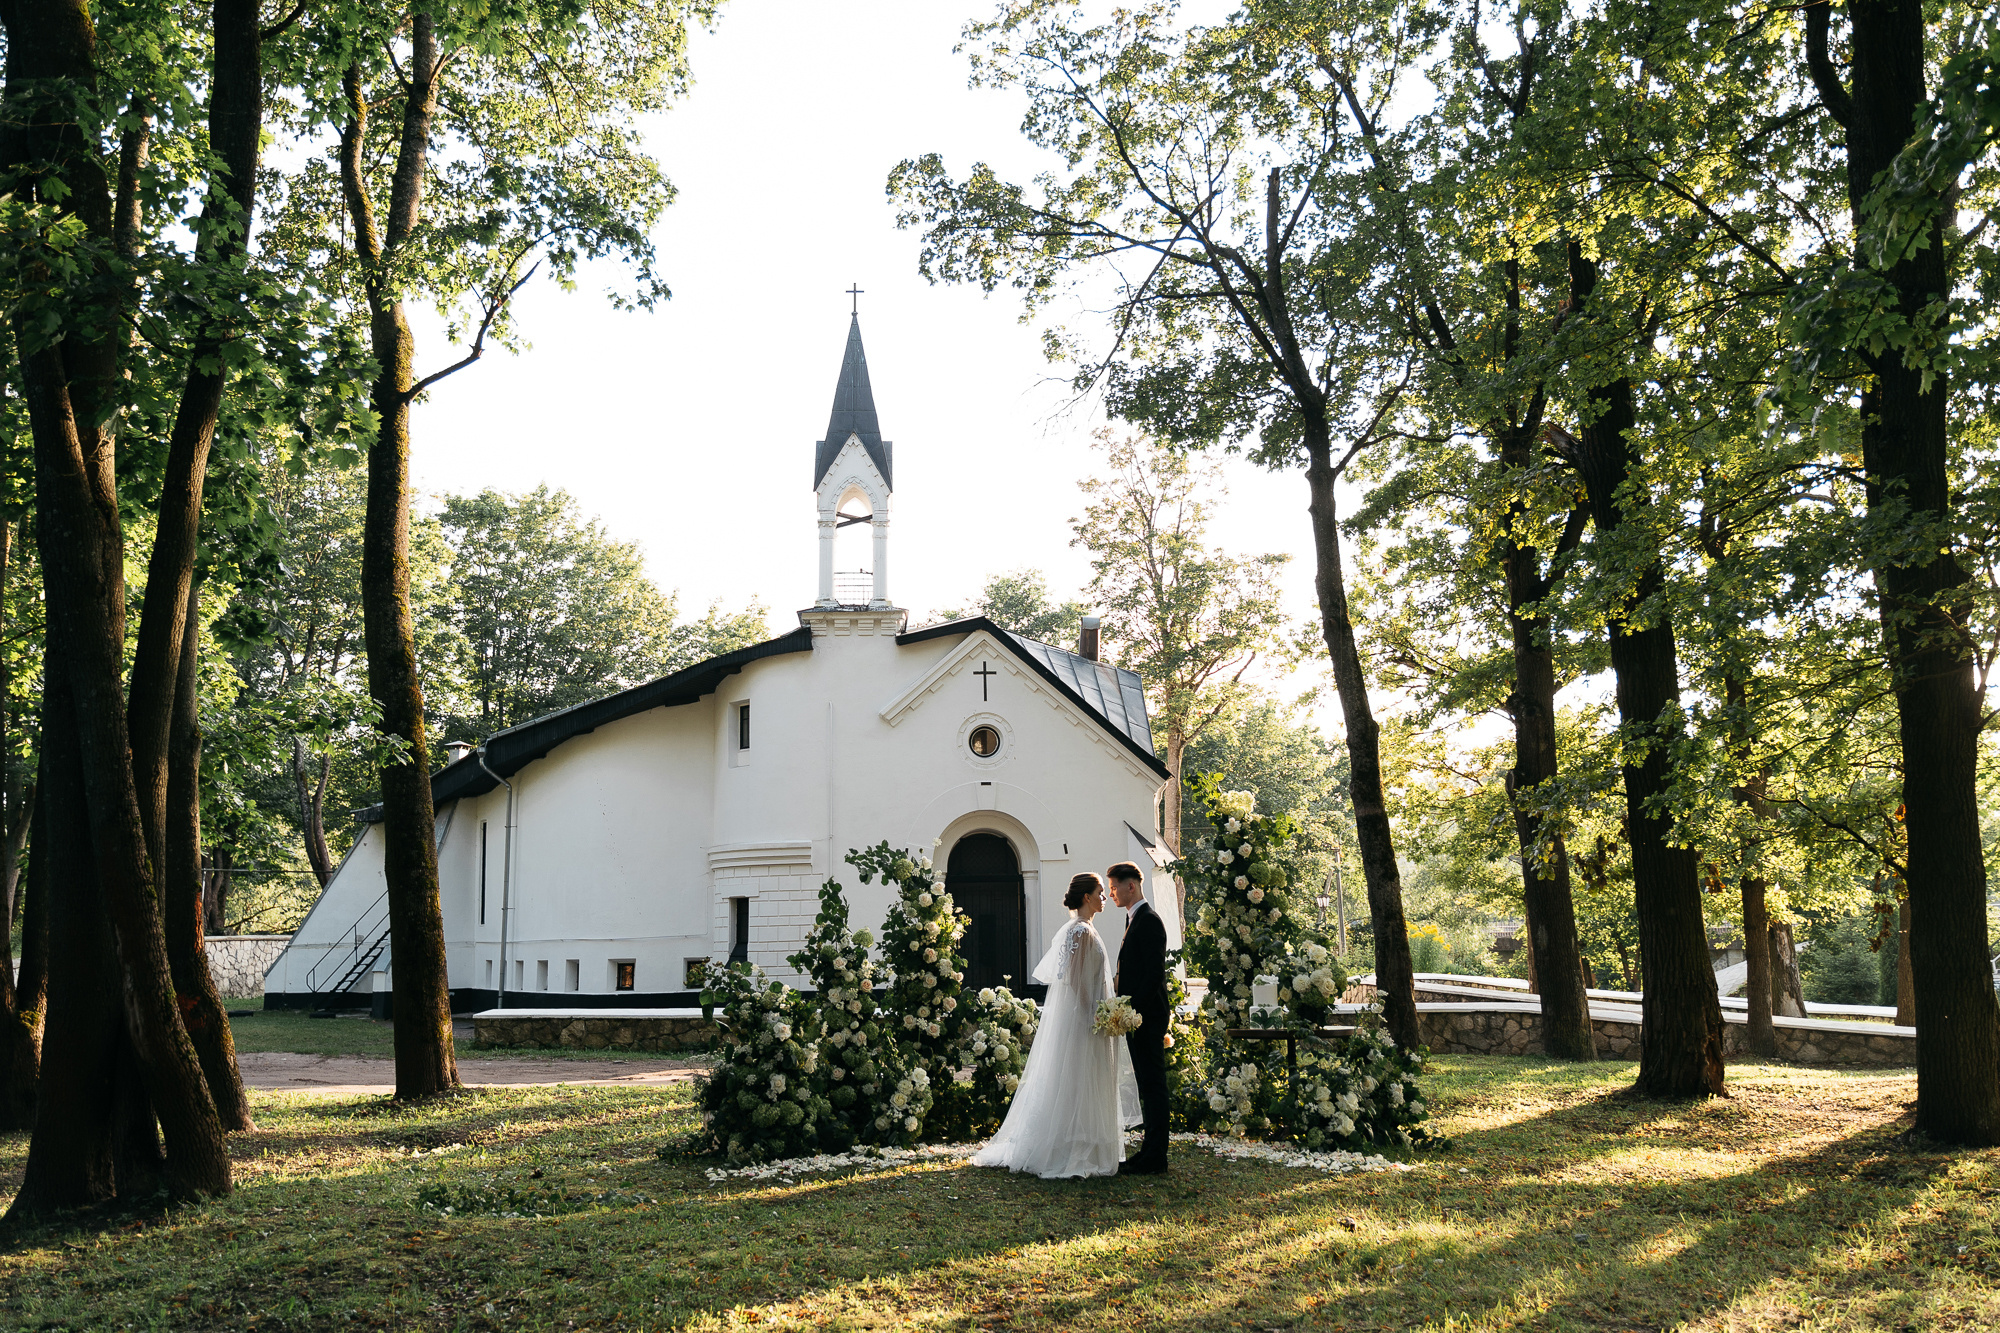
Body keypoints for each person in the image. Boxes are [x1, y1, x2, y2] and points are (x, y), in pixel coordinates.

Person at [973, 872, 1139, 1178]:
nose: (1105, 897)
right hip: (1086, 1018)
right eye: (1101, 892)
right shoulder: (1081, 932)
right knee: (1079, 1077)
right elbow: (1076, 979)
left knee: (1084, 1078)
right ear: (1087, 897)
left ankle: (1083, 1143)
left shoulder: (1085, 929)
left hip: (1091, 1014)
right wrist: (1096, 1012)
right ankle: (1072, 1149)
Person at [1110, 860, 1170, 1174]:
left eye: (1114, 887)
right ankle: (1149, 1152)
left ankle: (1157, 1156)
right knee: (1147, 1084)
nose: (1111, 894)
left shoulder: (1149, 920)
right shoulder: (1133, 919)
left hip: (1147, 1016)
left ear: (1130, 885)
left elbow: (1152, 975)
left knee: (1154, 1085)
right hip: (1137, 1016)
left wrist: (1132, 1011)